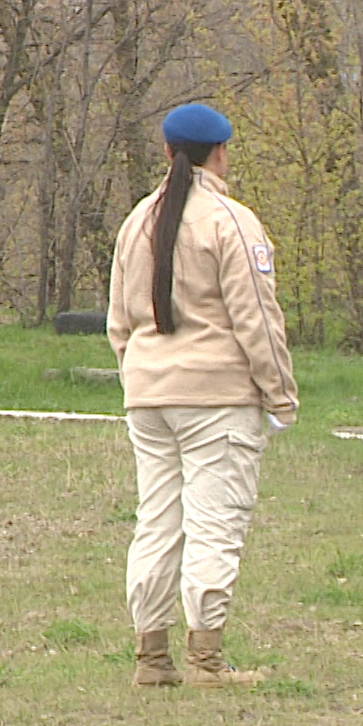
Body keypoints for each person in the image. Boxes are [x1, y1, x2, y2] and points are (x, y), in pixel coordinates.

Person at [110, 103, 296, 688]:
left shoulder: (137, 220)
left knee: (157, 521)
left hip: (148, 392)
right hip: (216, 395)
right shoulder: (230, 220)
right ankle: (208, 659)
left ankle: (151, 656)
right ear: (220, 152)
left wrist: (139, 374)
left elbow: (119, 322)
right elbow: (257, 318)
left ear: (167, 153)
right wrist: (279, 393)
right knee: (215, 522)